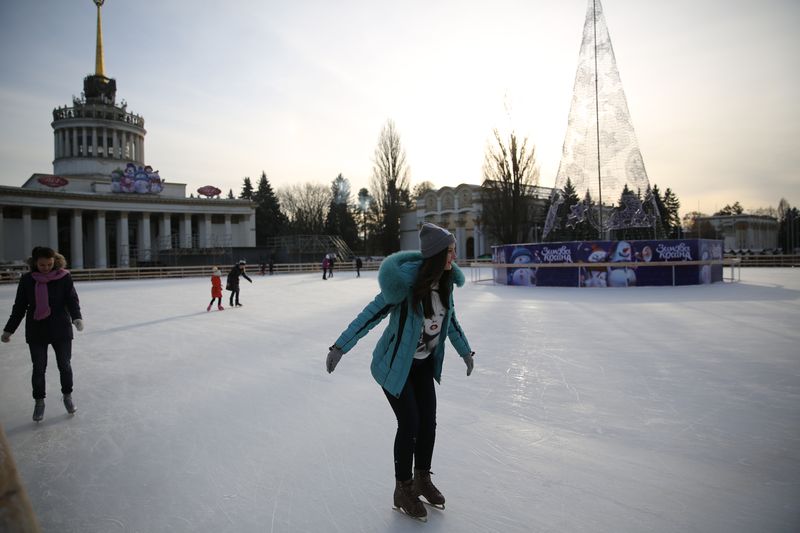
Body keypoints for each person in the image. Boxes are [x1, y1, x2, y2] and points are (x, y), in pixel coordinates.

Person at [325, 223, 475, 522]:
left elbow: (451, 324)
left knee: (428, 423)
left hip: (422, 365)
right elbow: (371, 314)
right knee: (410, 422)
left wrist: (466, 352)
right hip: (394, 365)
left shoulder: (445, 285)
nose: (454, 255)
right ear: (435, 255)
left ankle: (421, 479)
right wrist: (340, 346)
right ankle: (402, 488)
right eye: (449, 250)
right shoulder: (405, 285)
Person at [2, 246, 84, 422]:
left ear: (54, 260)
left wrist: (76, 318)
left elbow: (72, 299)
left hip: (61, 328)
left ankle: (68, 396)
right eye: (42, 265)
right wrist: (9, 330)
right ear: (35, 263)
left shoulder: (64, 277)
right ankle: (39, 402)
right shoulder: (27, 280)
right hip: (37, 330)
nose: (46, 267)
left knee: (65, 365)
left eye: (49, 264)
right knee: (39, 368)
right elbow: (19, 307)